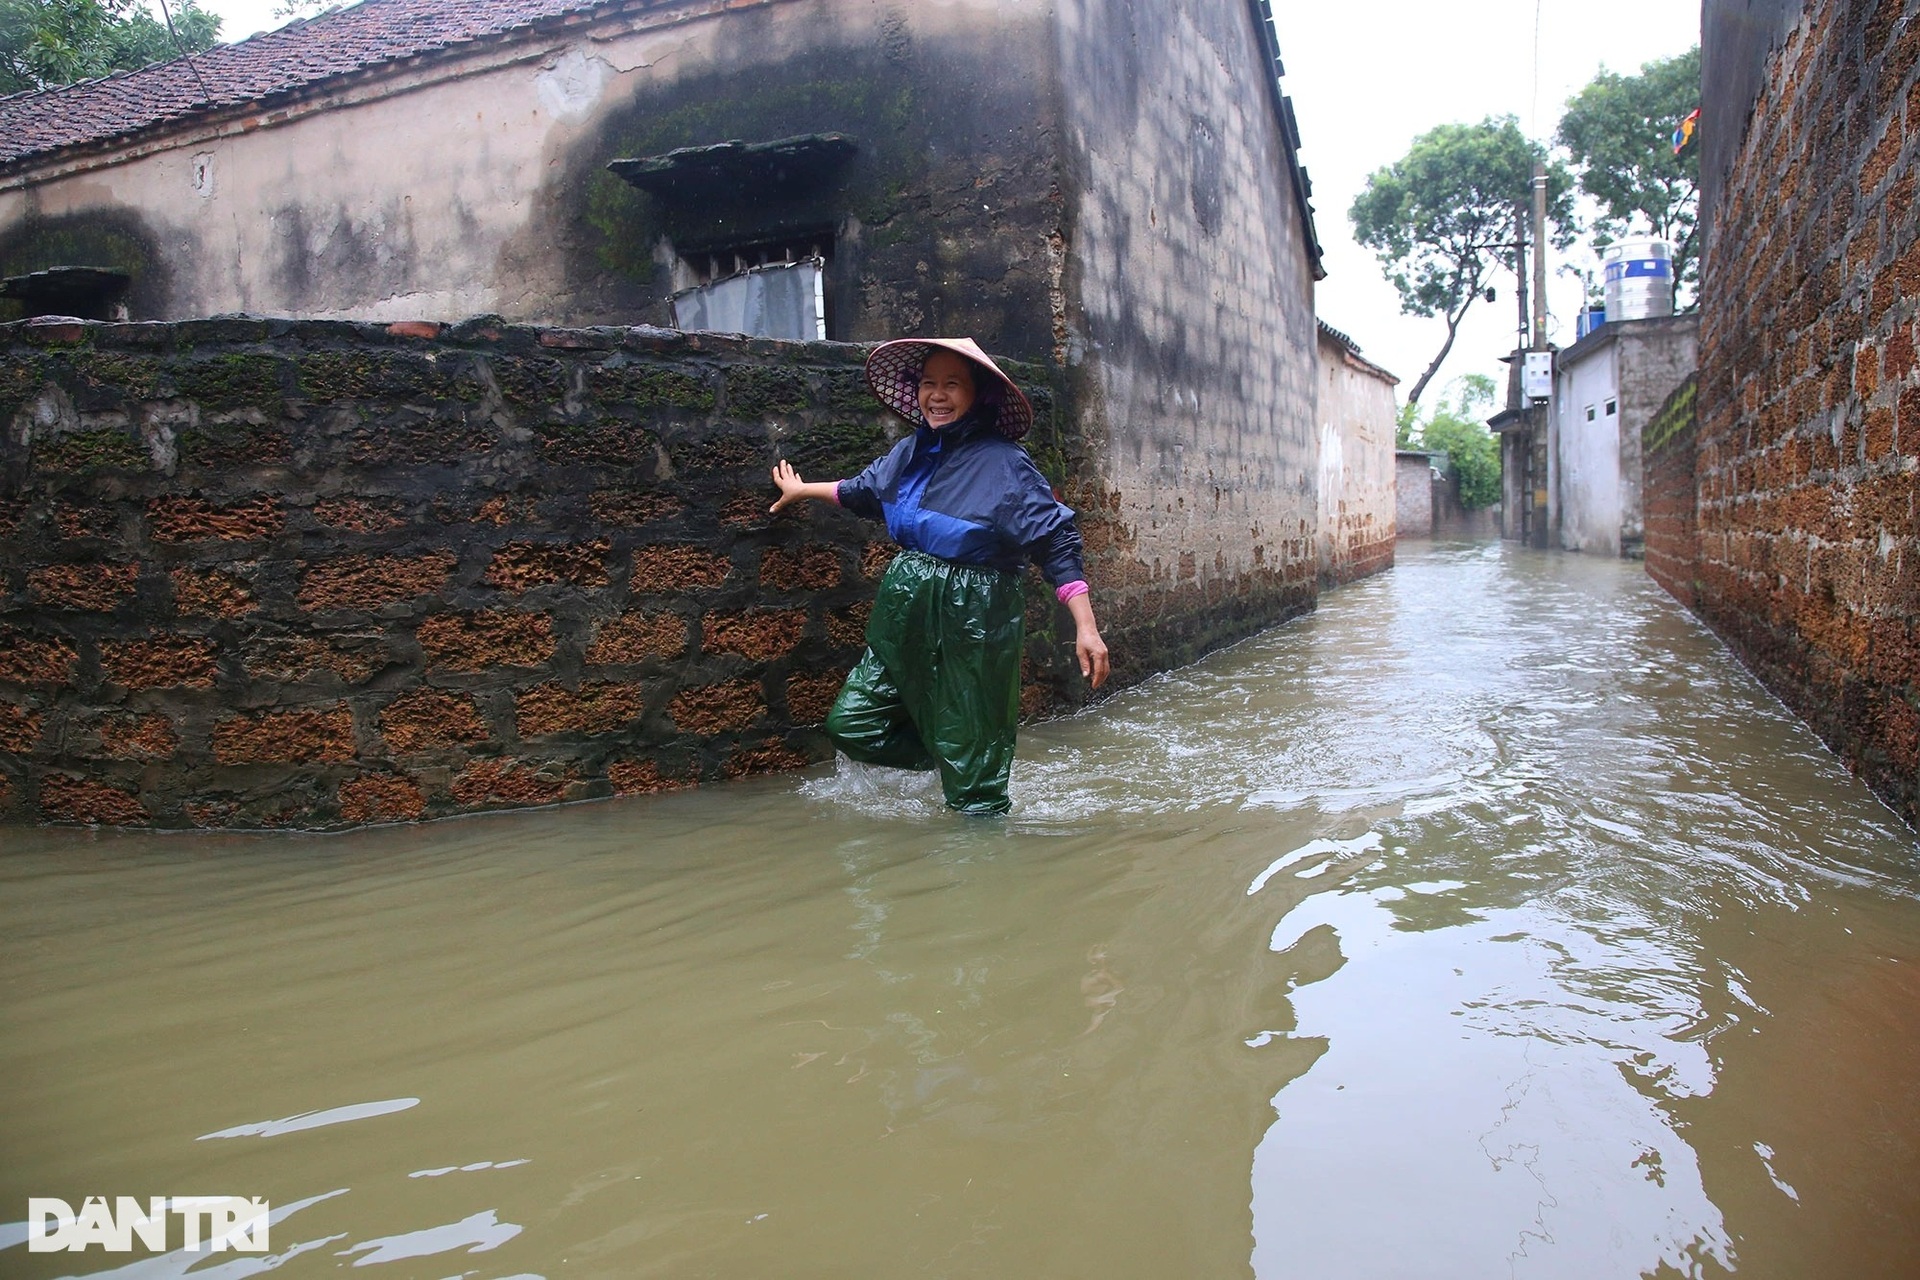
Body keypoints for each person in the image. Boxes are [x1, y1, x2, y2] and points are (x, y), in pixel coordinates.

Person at [769, 337, 1110, 814]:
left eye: (953, 384)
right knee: (853, 724)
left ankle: (979, 826)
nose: (938, 395)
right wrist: (802, 490)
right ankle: (951, 760)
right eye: (929, 383)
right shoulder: (911, 451)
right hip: (906, 612)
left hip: (976, 614)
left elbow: (1054, 539)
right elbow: (862, 491)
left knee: (973, 768)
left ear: (978, 394)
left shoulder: (1004, 462)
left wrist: (1086, 627)